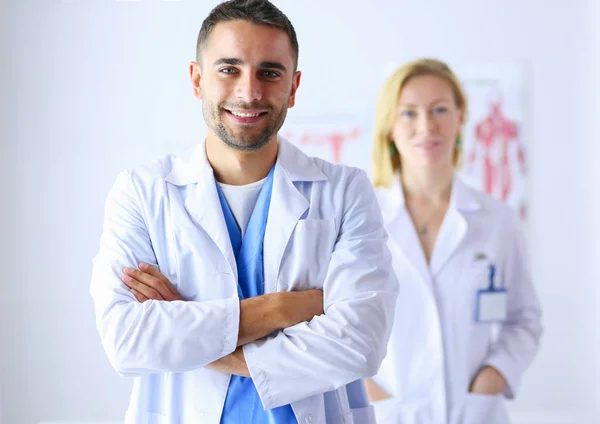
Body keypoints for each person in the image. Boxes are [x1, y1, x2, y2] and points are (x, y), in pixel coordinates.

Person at [89, 1, 398, 423]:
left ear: (293, 86)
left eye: (269, 72)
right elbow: (127, 341)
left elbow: (360, 343)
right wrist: (284, 309)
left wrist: (196, 336)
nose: (248, 92)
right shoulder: (142, 194)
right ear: (197, 80)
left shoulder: (345, 192)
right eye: (228, 69)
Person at [365, 58, 542, 424]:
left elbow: (524, 319)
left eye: (440, 109)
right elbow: (329, 324)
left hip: (475, 412)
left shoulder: (497, 220)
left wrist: (492, 378)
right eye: (409, 113)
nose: (426, 126)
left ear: (461, 118)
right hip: (386, 413)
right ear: (389, 127)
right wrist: (370, 392)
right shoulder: (360, 219)